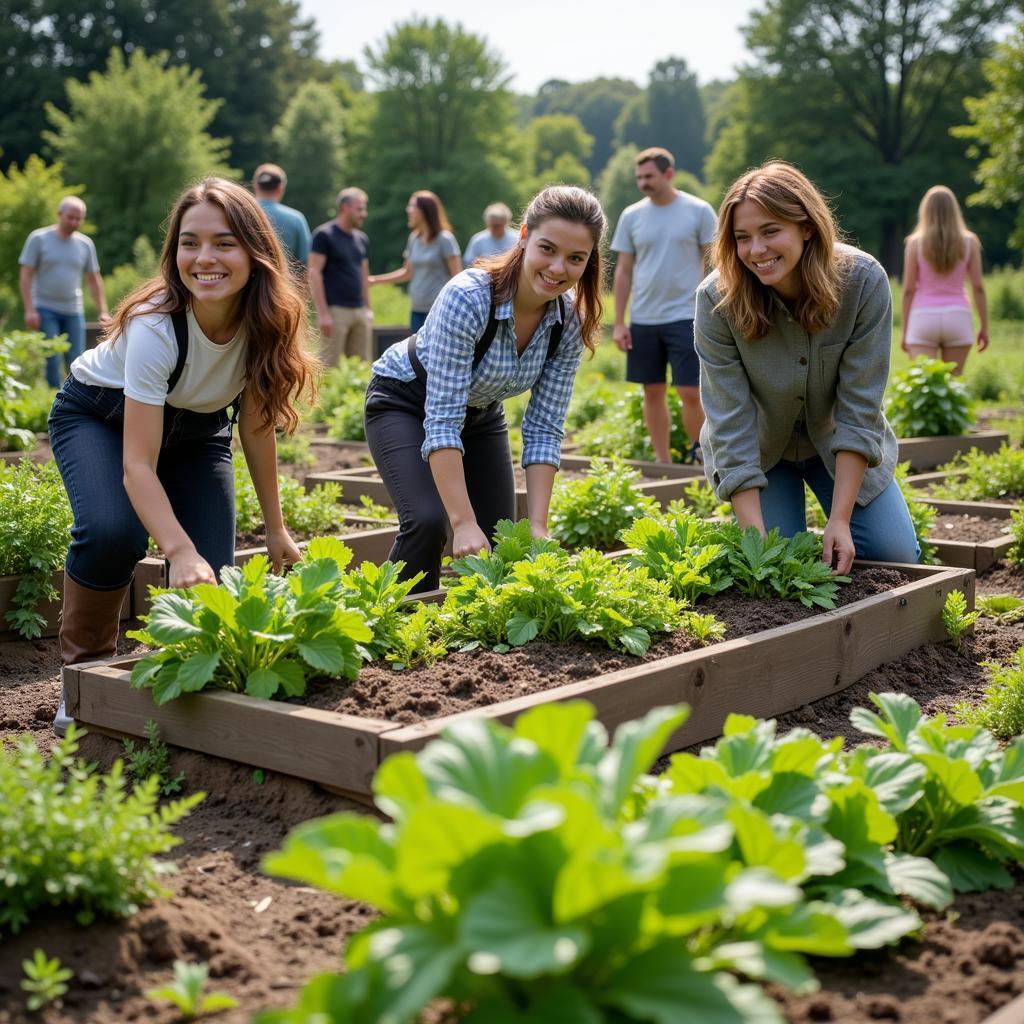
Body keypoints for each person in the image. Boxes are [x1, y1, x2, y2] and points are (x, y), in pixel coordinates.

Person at [47, 177, 317, 734]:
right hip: (101, 416)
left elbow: (258, 430)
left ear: (254, 250)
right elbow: (138, 465)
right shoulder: (156, 324)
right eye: (189, 243)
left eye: (223, 242)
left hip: (198, 433)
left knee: (211, 576)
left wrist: (276, 528)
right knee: (112, 532)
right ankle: (83, 678)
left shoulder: (265, 321)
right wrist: (177, 548)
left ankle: (187, 692)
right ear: (174, 253)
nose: (204, 258)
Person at [364, 185, 606, 592]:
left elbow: (545, 427)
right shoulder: (470, 297)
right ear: (524, 235)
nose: (558, 268)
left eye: (575, 258)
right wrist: (461, 522)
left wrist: (539, 526)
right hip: (405, 401)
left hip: (481, 413)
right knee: (429, 521)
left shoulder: (568, 321)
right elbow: (442, 419)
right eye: (547, 249)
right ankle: (389, 622)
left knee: (502, 538)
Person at [694, 161, 920, 575]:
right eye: (742, 238)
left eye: (770, 231)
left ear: (807, 227)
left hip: (836, 444)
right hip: (764, 450)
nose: (756, 251)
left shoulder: (862, 282)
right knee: (777, 563)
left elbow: (859, 405)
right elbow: (729, 419)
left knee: (895, 556)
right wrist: (754, 539)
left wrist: (840, 520)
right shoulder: (716, 301)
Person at [611, 147, 716, 464]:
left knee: (690, 392)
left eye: (649, 176)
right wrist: (619, 321)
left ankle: (701, 459)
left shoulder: (698, 211)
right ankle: (663, 464)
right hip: (644, 318)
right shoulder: (631, 215)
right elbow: (623, 270)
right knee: (652, 393)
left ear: (668, 174)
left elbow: (715, 266)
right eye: (639, 177)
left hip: (687, 316)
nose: (642, 182)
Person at [19, 196, 111, 387]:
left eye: (79, 219)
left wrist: (102, 310)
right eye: (70, 217)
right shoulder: (38, 239)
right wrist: (29, 309)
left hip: (73, 309)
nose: (74, 222)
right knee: (52, 359)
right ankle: (54, 399)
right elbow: (26, 275)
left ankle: (73, 399)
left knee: (77, 359)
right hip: (45, 308)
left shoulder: (85, 244)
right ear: (59, 214)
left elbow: (94, 279)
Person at [901, 185, 989, 375]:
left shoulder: (915, 243)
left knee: (923, 385)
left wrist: (905, 331)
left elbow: (909, 289)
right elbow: (978, 287)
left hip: (923, 318)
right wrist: (984, 327)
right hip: (958, 317)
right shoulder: (970, 242)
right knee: (953, 385)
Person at [370, 191, 461, 331]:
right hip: (416, 310)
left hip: (439, 310)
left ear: (425, 211)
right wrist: (374, 280)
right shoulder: (414, 239)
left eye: (412, 206)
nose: (408, 210)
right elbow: (407, 273)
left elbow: (457, 278)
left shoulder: (445, 239)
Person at [308, 187, 373, 366]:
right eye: (359, 209)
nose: (364, 214)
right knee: (328, 367)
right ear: (345, 208)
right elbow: (314, 272)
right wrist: (323, 314)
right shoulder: (324, 235)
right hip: (335, 312)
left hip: (359, 311)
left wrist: (368, 308)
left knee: (361, 367)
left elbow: (364, 273)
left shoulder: (362, 239)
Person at [252, 163, 312, 271]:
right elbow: (305, 260)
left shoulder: (239, 212)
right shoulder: (296, 218)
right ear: (280, 188)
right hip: (283, 285)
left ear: (255, 185)